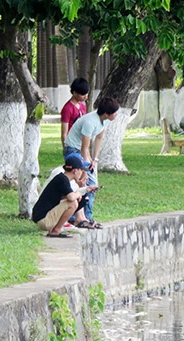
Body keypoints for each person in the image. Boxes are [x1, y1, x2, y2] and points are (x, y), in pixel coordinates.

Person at [63, 96, 119, 227]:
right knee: (85, 182)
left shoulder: (105, 121)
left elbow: (99, 138)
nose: (116, 115)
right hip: (74, 150)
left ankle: (86, 217)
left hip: (83, 152)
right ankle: (75, 218)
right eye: (114, 112)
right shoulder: (90, 122)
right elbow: (84, 147)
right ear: (106, 113)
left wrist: (95, 159)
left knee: (91, 183)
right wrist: (86, 167)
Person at [32, 154, 100, 238]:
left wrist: (86, 190)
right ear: (75, 171)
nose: (82, 173)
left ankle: (56, 228)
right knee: (73, 203)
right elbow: (71, 197)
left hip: (43, 219)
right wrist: (78, 194)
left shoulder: (62, 178)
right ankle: (56, 230)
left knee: (75, 200)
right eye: (81, 170)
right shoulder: (62, 179)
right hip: (44, 220)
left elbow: (64, 197)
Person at [61, 77, 90, 149]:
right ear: (74, 93)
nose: (85, 97)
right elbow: (64, 133)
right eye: (83, 94)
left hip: (81, 143)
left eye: (86, 93)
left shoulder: (83, 106)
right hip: (72, 144)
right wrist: (66, 149)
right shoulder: (67, 109)